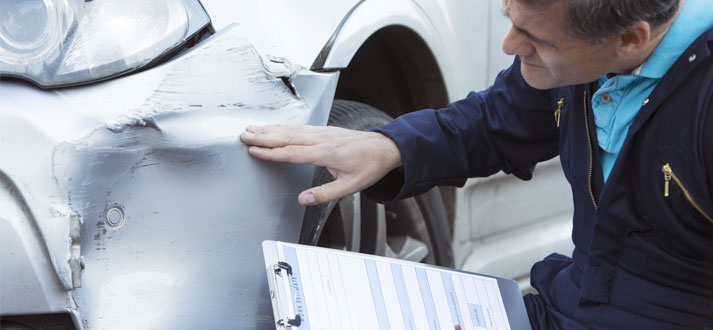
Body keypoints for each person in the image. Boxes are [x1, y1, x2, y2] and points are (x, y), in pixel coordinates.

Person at [241, 0, 713, 328]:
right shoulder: (586, 52)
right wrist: (389, 147)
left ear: (630, 40)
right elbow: (498, 120)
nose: (509, 46)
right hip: (566, 309)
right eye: (509, 19)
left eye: (534, 39)